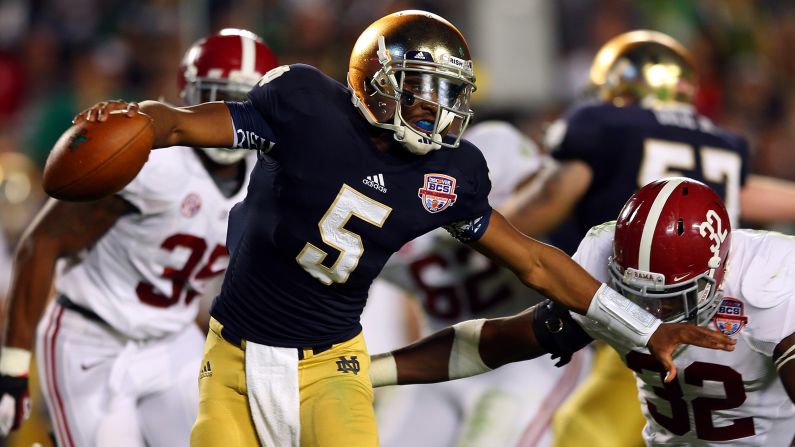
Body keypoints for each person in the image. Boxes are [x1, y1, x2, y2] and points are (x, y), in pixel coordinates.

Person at [52, 11, 733, 447]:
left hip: (332, 366)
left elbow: (533, 260)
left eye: (448, 92)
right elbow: (179, 123)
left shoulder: (450, 173)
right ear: (375, 82)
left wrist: (641, 328)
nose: (438, 110)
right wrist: (136, 119)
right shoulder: (304, 108)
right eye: (420, 86)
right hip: (231, 358)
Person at [502, 29, 795, 447]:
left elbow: (549, 199)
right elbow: (746, 199)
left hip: (632, 300)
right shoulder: (721, 140)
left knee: (581, 432)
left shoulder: (606, 123)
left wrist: (485, 226)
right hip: (716, 300)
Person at [0, 28, 276, 446]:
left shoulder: (269, 176)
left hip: (173, 340)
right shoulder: (149, 160)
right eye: (217, 96)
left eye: (241, 101)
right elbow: (44, 242)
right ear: (190, 94)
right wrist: (13, 365)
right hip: (93, 340)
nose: (229, 112)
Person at [370, 177, 795, 446]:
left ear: (717, 275)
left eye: (670, 298)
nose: (649, 310)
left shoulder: (770, 279)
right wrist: (369, 369)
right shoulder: (601, 254)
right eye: (634, 295)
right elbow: (501, 341)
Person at [375, 120, 587, 447]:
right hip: (444, 354)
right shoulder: (369, 205)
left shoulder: (491, 146)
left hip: (526, 348)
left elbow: (548, 198)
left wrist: (478, 225)